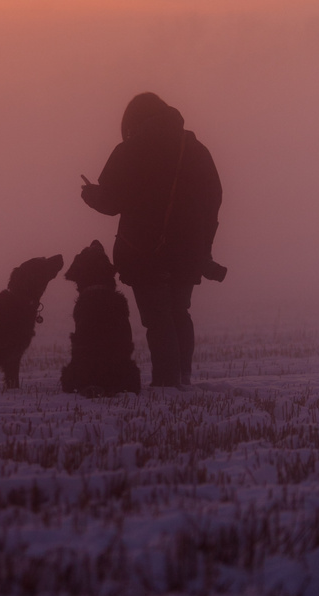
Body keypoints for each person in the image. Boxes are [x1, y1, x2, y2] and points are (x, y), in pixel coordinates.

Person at [80, 92, 224, 389]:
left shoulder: (129, 150)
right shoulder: (197, 150)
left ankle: (167, 385)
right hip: (188, 253)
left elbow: (110, 201)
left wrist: (90, 194)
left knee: (158, 319)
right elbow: (214, 202)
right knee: (179, 313)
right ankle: (182, 378)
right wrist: (203, 248)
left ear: (133, 120)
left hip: (144, 252)